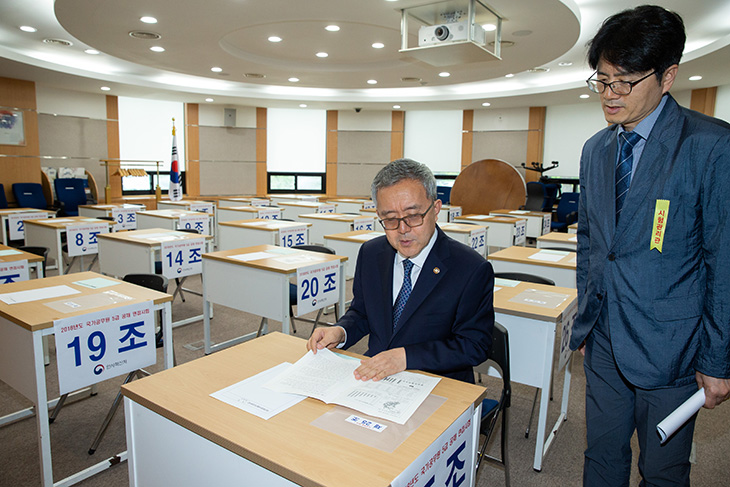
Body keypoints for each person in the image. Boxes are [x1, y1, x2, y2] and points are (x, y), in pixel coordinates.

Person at [570, 5, 730, 486]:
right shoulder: (596, 148)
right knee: (600, 458)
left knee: (662, 471)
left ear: (668, 76)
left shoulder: (710, 145)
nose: (610, 94)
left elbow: (723, 261)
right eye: (602, 80)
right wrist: (587, 321)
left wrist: (718, 360)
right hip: (604, 342)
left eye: (625, 81)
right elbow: (591, 242)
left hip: (674, 350)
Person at [307, 158, 494, 383]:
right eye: (390, 219)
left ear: (435, 209)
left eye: (413, 216)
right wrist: (340, 332)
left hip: (438, 383)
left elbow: (474, 345)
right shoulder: (372, 253)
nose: (403, 230)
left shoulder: (470, 268)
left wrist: (405, 358)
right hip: (376, 377)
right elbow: (362, 312)